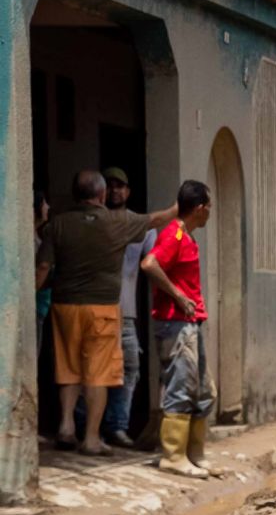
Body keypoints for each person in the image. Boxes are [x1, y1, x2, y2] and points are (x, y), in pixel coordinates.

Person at [37, 169, 176, 455]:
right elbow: (156, 219)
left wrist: (28, 298)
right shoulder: (118, 222)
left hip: (64, 306)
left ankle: (65, 428)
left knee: (69, 370)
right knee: (97, 375)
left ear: (76, 194)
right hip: (102, 308)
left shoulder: (57, 225)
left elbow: (42, 268)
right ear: (101, 195)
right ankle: (90, 438)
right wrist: (180, 206)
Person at [140, 180, 222, 478]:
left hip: (189, 322)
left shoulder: (185, 236)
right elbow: (149, 264)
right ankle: (173, 456)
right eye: (209, 207)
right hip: (175, 323)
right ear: (200, 208)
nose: (210, 212)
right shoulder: (173, 235)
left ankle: (194, 453)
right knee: (181, 387)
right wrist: (178, 295)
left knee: (203, 390)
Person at [101, 167, 154, 451]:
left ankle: (117, 426)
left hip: (127, 313)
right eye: (109, 186)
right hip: (96, 308)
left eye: (120, 186)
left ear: (128, 191)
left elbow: (157, 258)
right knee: (93, 370)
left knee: (130, 368)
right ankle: (88, 426)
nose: (115, 191)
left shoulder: (140, 226)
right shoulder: (94, 222)